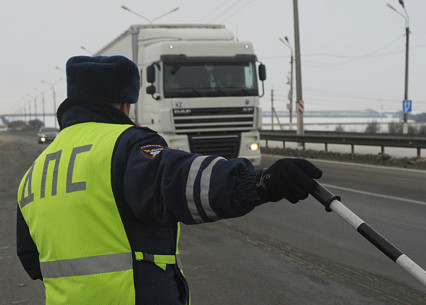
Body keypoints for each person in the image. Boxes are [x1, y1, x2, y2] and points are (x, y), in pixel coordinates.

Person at [16, 55, 323, 305]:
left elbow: (31, 258)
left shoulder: (36, 170)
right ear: (124, 103)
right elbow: (181, 181)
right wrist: (260, 182)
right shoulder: (123, 144)